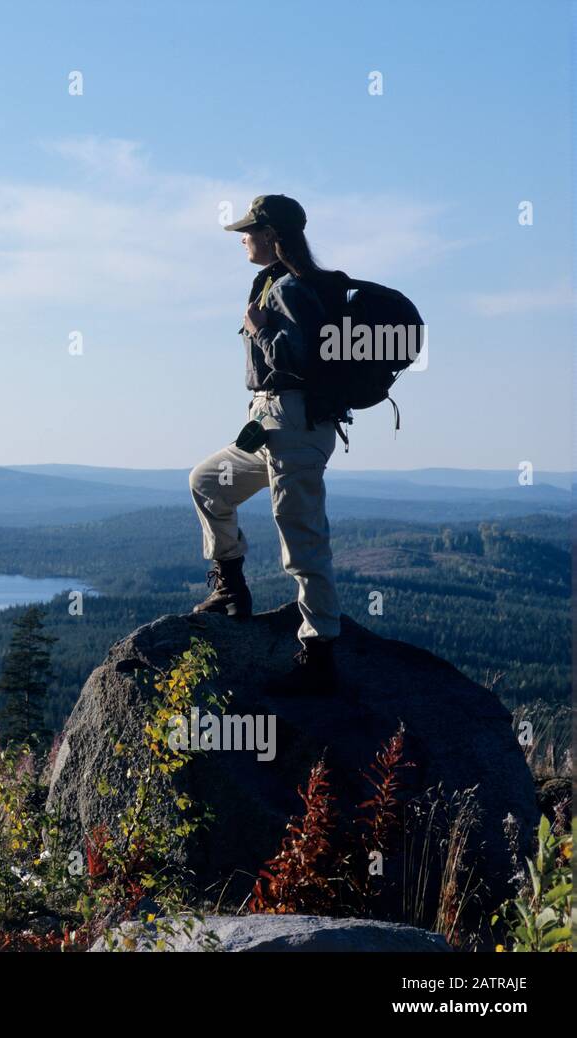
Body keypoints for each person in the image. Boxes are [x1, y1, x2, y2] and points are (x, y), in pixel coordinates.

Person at [188, 194, 347, 694]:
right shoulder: (277, 284)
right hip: (269, 420)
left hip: (294, 422)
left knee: (300, 532)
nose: (242, 238)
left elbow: (299, 361)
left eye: (249, 230)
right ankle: (231, 591)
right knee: (209, 483)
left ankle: (319, 648)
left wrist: (259, 331)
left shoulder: (293, 291)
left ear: (273, 235)